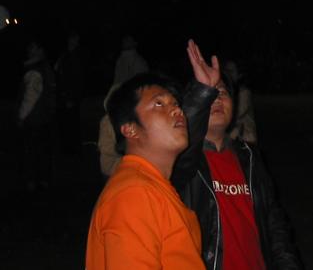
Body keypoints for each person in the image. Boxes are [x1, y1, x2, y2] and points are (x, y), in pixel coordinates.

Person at [85, 56, 216, 270]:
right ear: (130, 129)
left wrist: (203, 92)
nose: (177, 110)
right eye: (159, 103)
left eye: (176, 103)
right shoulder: (133, 194)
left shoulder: (154, 187)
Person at [174, 54, 303, 270]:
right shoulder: (183, 163)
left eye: (223, 92)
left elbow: (274, 224)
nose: (216, 99)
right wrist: (200, 95)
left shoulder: (250, 157)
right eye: (209, 93)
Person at [17, 39, 57, 192]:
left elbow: (30, 96)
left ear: (40, 50)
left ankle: (32, 181)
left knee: (31, 150)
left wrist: (21, 116)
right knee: (43, 149)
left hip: (34, 117)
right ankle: (43, 179)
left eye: (33, 48)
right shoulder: (46, 68)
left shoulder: (35, 70)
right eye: (30, 47)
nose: (30, 50)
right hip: (44, 116)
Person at [55, 31, 85, 154]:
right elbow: (59, 73)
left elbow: (77, 79)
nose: (73, 41)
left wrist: (71, 98)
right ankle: (67, 148)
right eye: (72, 38)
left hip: (70, 97)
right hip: (63, 95)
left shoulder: (76, 56)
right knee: (65, 123)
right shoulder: (65, 55)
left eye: (75, 39)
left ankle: (73, 150)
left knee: (72, 123)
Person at [222, 59, 258, 145]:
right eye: (227, 71)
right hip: (234, 139)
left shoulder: (243, 93)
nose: (229, 74)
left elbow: (236, 115)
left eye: (231, 71)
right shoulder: (227, 92)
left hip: (246, 140)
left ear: (239, 75)